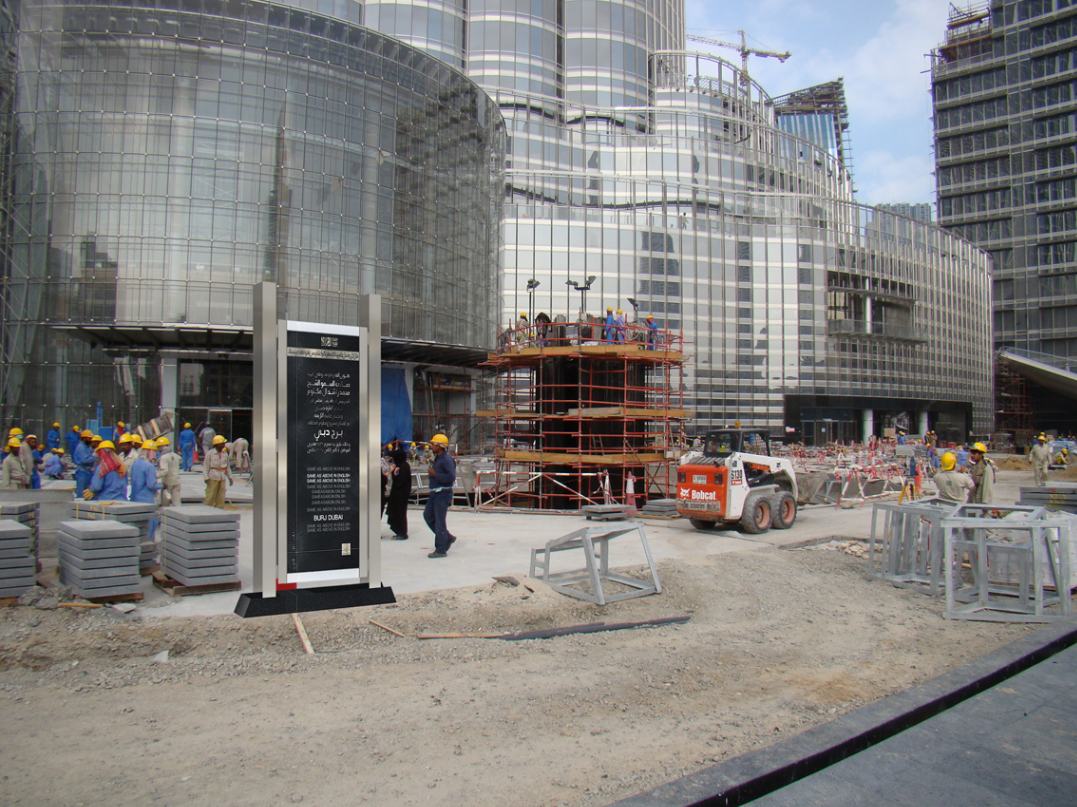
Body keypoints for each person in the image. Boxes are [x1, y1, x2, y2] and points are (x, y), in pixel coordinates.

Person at [423, 433, 456, 558]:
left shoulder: (446, 460)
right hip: (435, 493)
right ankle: (446, 537)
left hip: (442, 494)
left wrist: (435, 474)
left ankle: (441, 549)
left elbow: (451, 477)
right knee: (428, 516)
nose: (431, 446)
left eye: (433, 444)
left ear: (440, 446)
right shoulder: (438, 458)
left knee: (439, 522)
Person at [386, 446, 412, 540]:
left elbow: (400, 481)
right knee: (397, 512)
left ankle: (402, 533)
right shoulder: (402, 465)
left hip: (401, 495)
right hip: (398, 494)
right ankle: (399, 531)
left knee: (400, 513)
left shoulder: (403, 467)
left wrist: (394, 473)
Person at [203, 434, 232, 508]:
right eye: (222, 443)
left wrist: (230, 477)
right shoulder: (210, 453)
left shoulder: (225, 453)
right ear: (217, 444)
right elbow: (206, 466)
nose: (224, 445)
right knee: (211, 494)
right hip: (213, 476)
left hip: (222, 477)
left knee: (221, 496)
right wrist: (206, 477)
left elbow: (228, 467)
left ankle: (220, 509)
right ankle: (208, 509)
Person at [156, 435, 182, 506]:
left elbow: (164, 471)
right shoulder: (175, 455)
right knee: (177, 502)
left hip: (167, 482)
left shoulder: (163, 457)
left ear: (160, 446)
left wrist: (155, 475)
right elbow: (180, 461)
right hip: (177, 480)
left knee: (165, 503)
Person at [73, 429, 96, 498]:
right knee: (81, 491)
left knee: (87, 492)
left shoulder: (87, 447)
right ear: (84, 438)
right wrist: (95, 458)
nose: (91, 440)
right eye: (89, 438)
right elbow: (84, 460)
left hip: (87, 471)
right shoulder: (81, 447)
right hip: (82, 472)